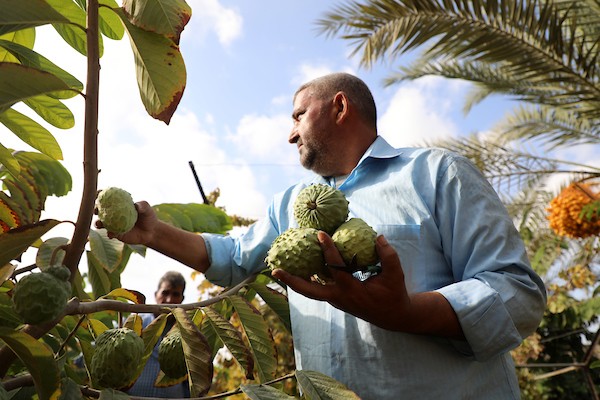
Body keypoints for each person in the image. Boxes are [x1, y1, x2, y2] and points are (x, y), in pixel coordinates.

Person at [103, 72, 547, 399]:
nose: (290, 132)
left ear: (339, 107)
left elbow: (517, 292)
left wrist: (408, 312)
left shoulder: (435, 174)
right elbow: (234, 256)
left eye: (298, 115)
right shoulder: (288, 204)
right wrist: (155, 232)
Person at [127, 271, 190, 398]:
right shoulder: (137, 323)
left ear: (182, 299)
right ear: (156, 295)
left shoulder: (187, 332)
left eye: (175, 294)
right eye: (165, 293)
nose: (169, 300)